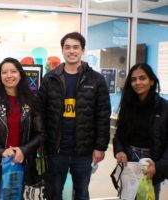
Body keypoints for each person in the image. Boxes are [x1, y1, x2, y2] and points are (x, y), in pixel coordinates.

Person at [38, 32, 111, 200]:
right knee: (54, 193)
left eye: (76, 47)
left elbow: (103, 115)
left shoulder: (96, 80)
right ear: (63, 50)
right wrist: (42, 142)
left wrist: (100, 147)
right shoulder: (50, 79)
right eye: (67, 47)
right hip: (56, 149)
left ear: (83, 50)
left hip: (83, 150)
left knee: (82, 193)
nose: (72, 51)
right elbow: (40, 113)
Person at [0, 57, 44, 200]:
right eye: (4, 72)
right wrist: (1, 151)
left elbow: (41, 133)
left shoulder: (32, 101)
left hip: (23, 162)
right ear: (0, 76)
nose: (9, 75)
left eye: (13, 71)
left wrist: (23, 150)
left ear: (20, 74)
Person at [113, 63, 168, 200]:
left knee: (147, 197)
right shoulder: (128, 105)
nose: (137, 82)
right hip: (129, 158)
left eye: (142, 78)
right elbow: (119, 134)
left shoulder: (164, 108)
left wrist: (158, 167)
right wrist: (119, 151)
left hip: (152, 161)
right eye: (133, 79)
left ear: (152, 81)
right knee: (127, 196)